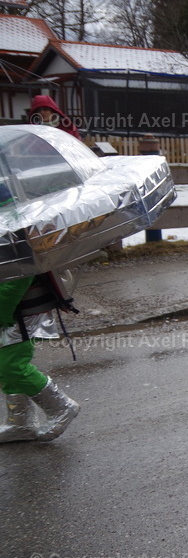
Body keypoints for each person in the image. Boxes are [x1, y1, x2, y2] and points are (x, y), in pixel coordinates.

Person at [0, 185, 80, 444]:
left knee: (13, 364)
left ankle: (61, 406)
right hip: (10, 307)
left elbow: (20, 275)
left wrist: (2, 311)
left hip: (18, 309)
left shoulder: (15, 227)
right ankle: (20, 421)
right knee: (4, 365)